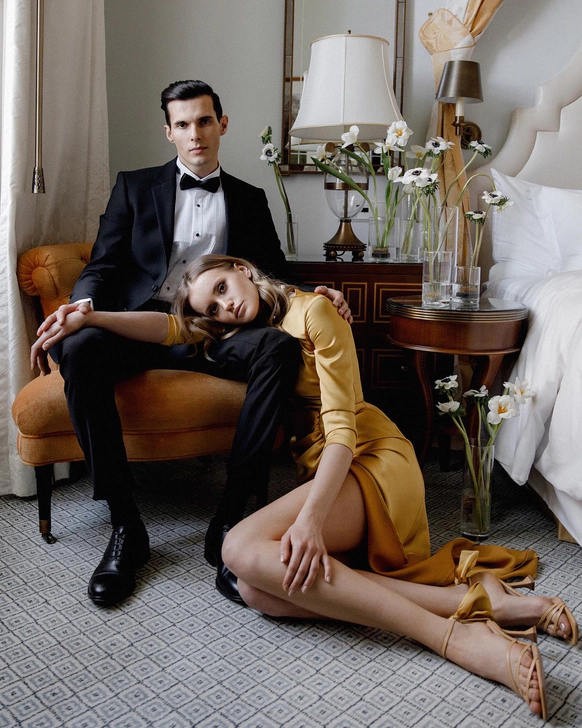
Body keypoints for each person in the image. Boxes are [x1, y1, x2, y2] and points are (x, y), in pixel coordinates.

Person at [32, 254, 580, 721]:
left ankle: (455, 638)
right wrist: (90, 317)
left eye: (222, 288)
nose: (224, 307)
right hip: (320, 468)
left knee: (239, 549)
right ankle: (472, 600)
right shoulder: (243, 326)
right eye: (211, 308)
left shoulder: (316, 310)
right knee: (257, 590)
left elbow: (343, 431)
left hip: (367, 457)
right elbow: (169, 330)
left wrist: (311, 521)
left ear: (243, 269)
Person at [34, 79, 351, 608]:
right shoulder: (134, 187)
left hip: (214, 330)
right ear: (169, 132)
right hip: (143, 325)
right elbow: (103, 264)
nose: (195, 133)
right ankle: (125, 525)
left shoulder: (249, 198)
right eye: (183, 124)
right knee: (80, 349)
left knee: (277, 349)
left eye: (204, 121)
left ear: (221, 124)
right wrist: (81, 307)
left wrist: (317, 293)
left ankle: (232, 513)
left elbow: (272, 271)